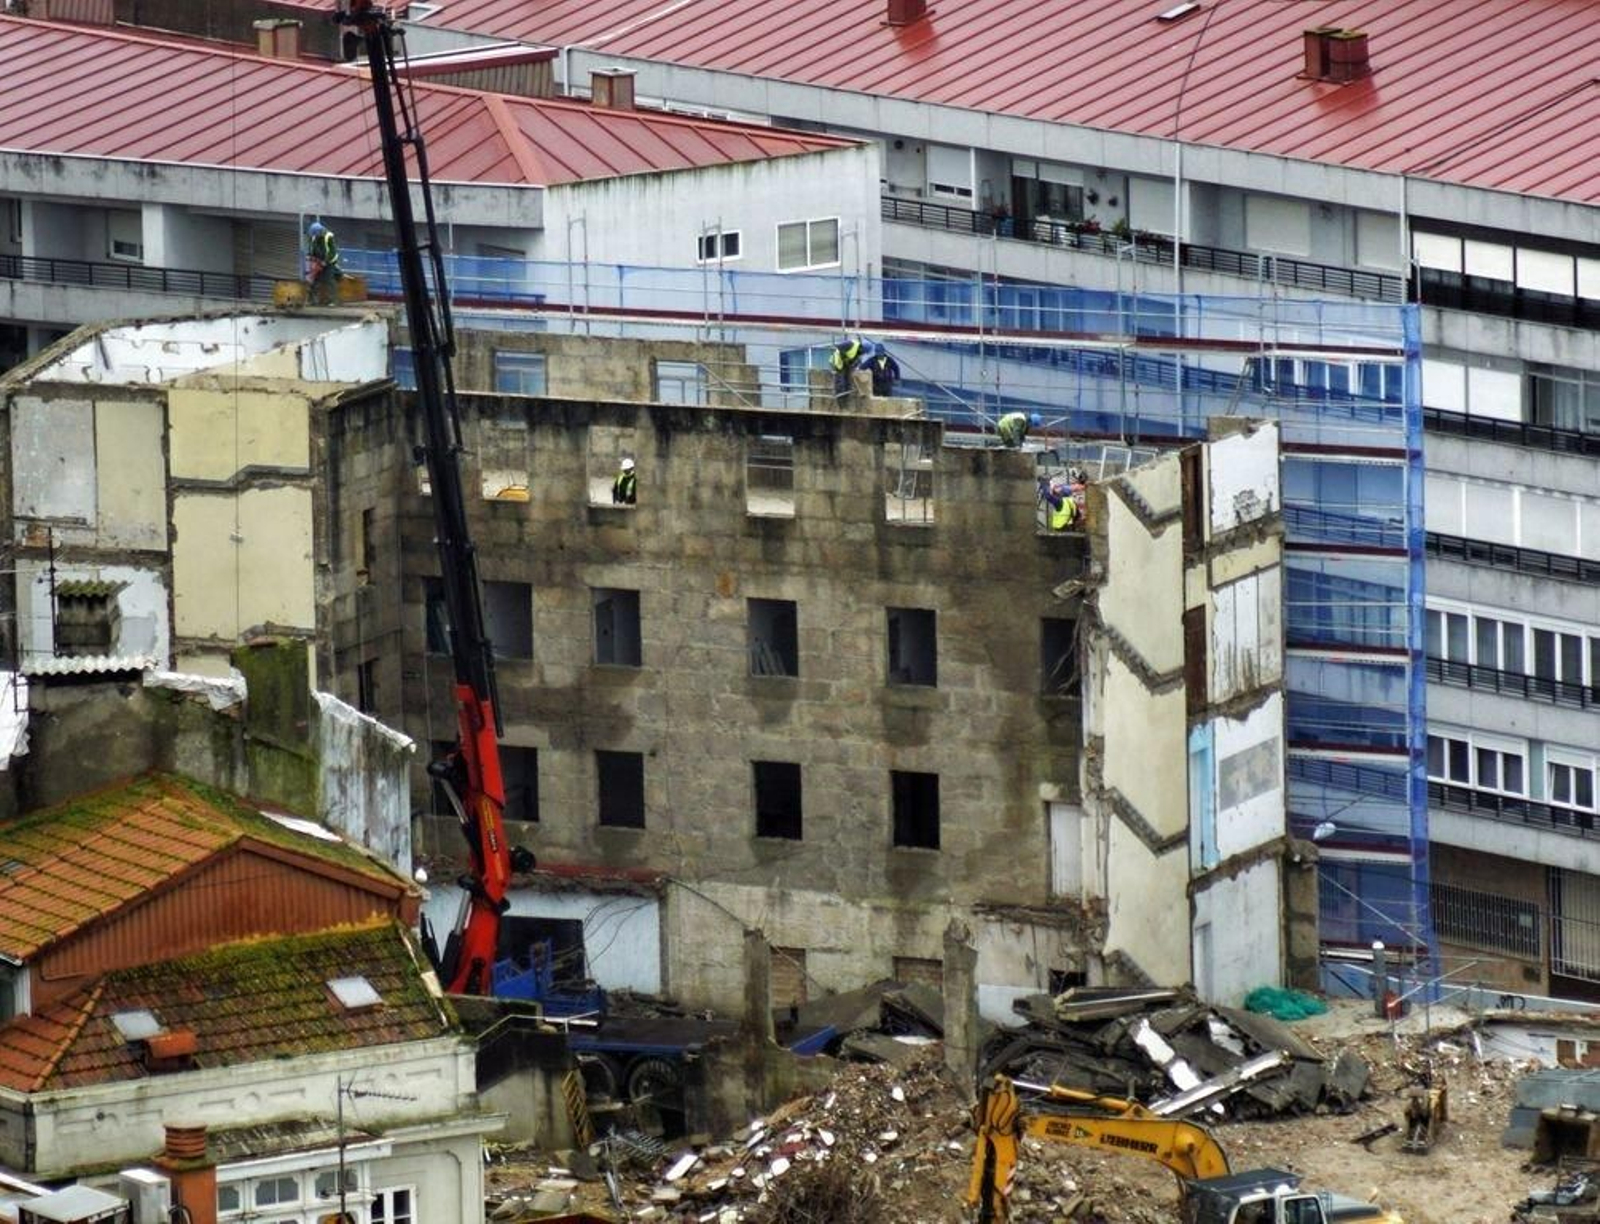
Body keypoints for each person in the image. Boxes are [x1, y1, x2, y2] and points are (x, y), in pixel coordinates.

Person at [306, 221, 342, 303]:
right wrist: (309, 255)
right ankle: (312, 301)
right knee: (314, 280)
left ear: (319, 231)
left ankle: (332, 301)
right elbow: (312, 248)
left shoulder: (328, 236)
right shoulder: (313, 237)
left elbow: (333, 252)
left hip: (329, 262)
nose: (314, 235)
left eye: (315, 234)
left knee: (329, 280)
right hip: (318, 261)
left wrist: (326, 262)